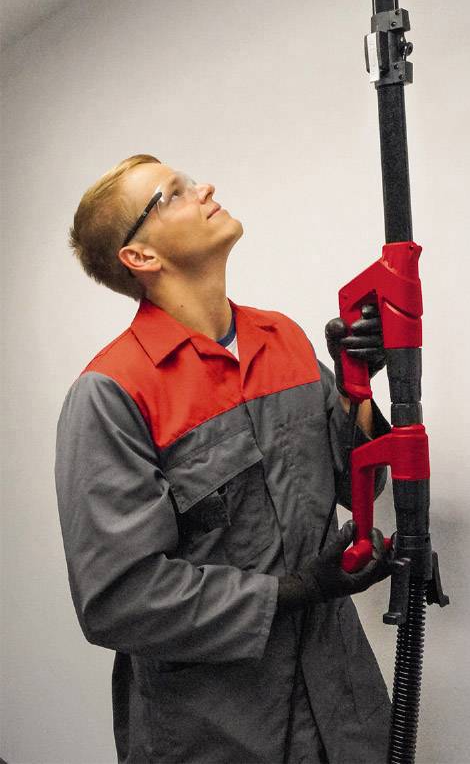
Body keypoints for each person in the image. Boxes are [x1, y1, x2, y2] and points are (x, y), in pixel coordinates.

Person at [55, 153, 394, 764]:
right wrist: (294, 591)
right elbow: (119, 599)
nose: (203, 186)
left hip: (343, 716)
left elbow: (358, 481)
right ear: (141, 257)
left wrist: (356, 387)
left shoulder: (281, 339)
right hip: (220, 732)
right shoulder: (114, 392)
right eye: (172, 192)